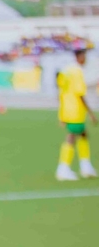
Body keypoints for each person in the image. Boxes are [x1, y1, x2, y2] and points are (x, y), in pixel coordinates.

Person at [55, 49, 97, 180]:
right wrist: (91, 113)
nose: (85, 59)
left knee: (83, 134)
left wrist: (62, 114)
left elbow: (61, 92)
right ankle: (63, 168)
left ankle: (86, 166)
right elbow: (80, 93)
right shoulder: (77, 71)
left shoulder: (66, 70)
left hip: (68, 109)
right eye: (84, 56)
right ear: (79, 57)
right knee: (72, 137)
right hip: (76, 110)